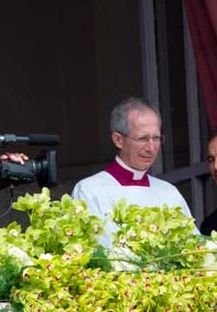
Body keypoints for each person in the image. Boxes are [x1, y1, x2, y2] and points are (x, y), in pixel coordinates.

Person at [72, 98, 193, 247]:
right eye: (142, 139)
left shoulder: (169, 193)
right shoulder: (89, 191)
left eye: (156, 138)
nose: (151, 148)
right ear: (118, 140)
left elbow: (192, 245)